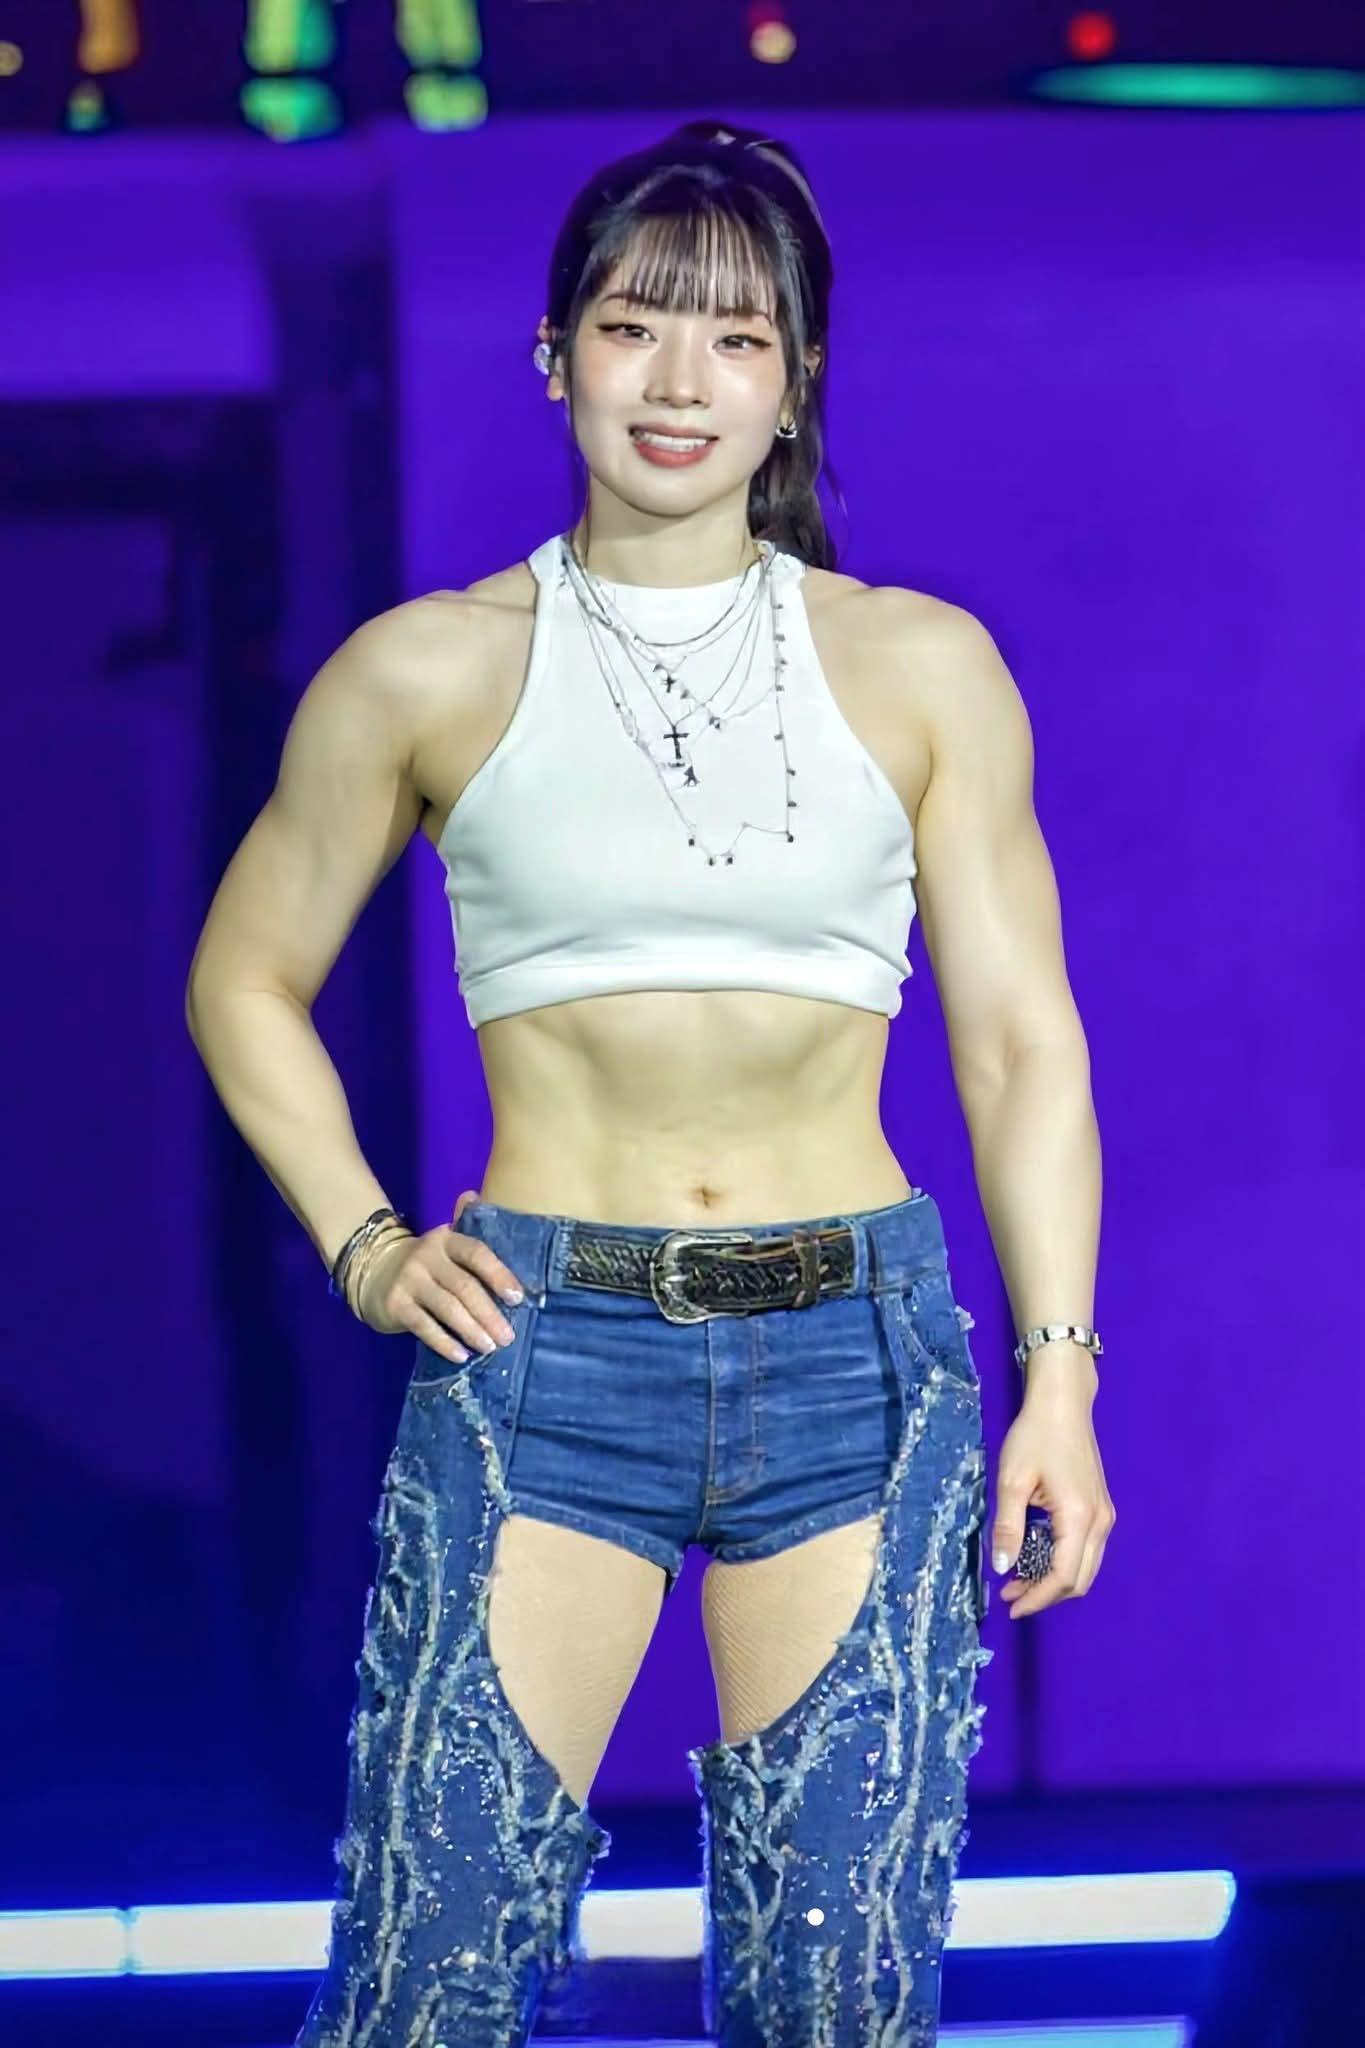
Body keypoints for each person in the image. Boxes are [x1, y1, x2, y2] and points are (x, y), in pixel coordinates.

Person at [185, 119, 1115, 2048]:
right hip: (543, 1355)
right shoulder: (425, 670)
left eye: (736, 340)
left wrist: (1059, 1377)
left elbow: (1021, 1040)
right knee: (426, 1981)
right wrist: (366, 1247)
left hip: (855, 1361)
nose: (679, 383)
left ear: (795, 379)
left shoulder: (920, 666)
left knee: (832, 2002)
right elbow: (244, 979)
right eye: (632, 329)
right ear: (555, 357)